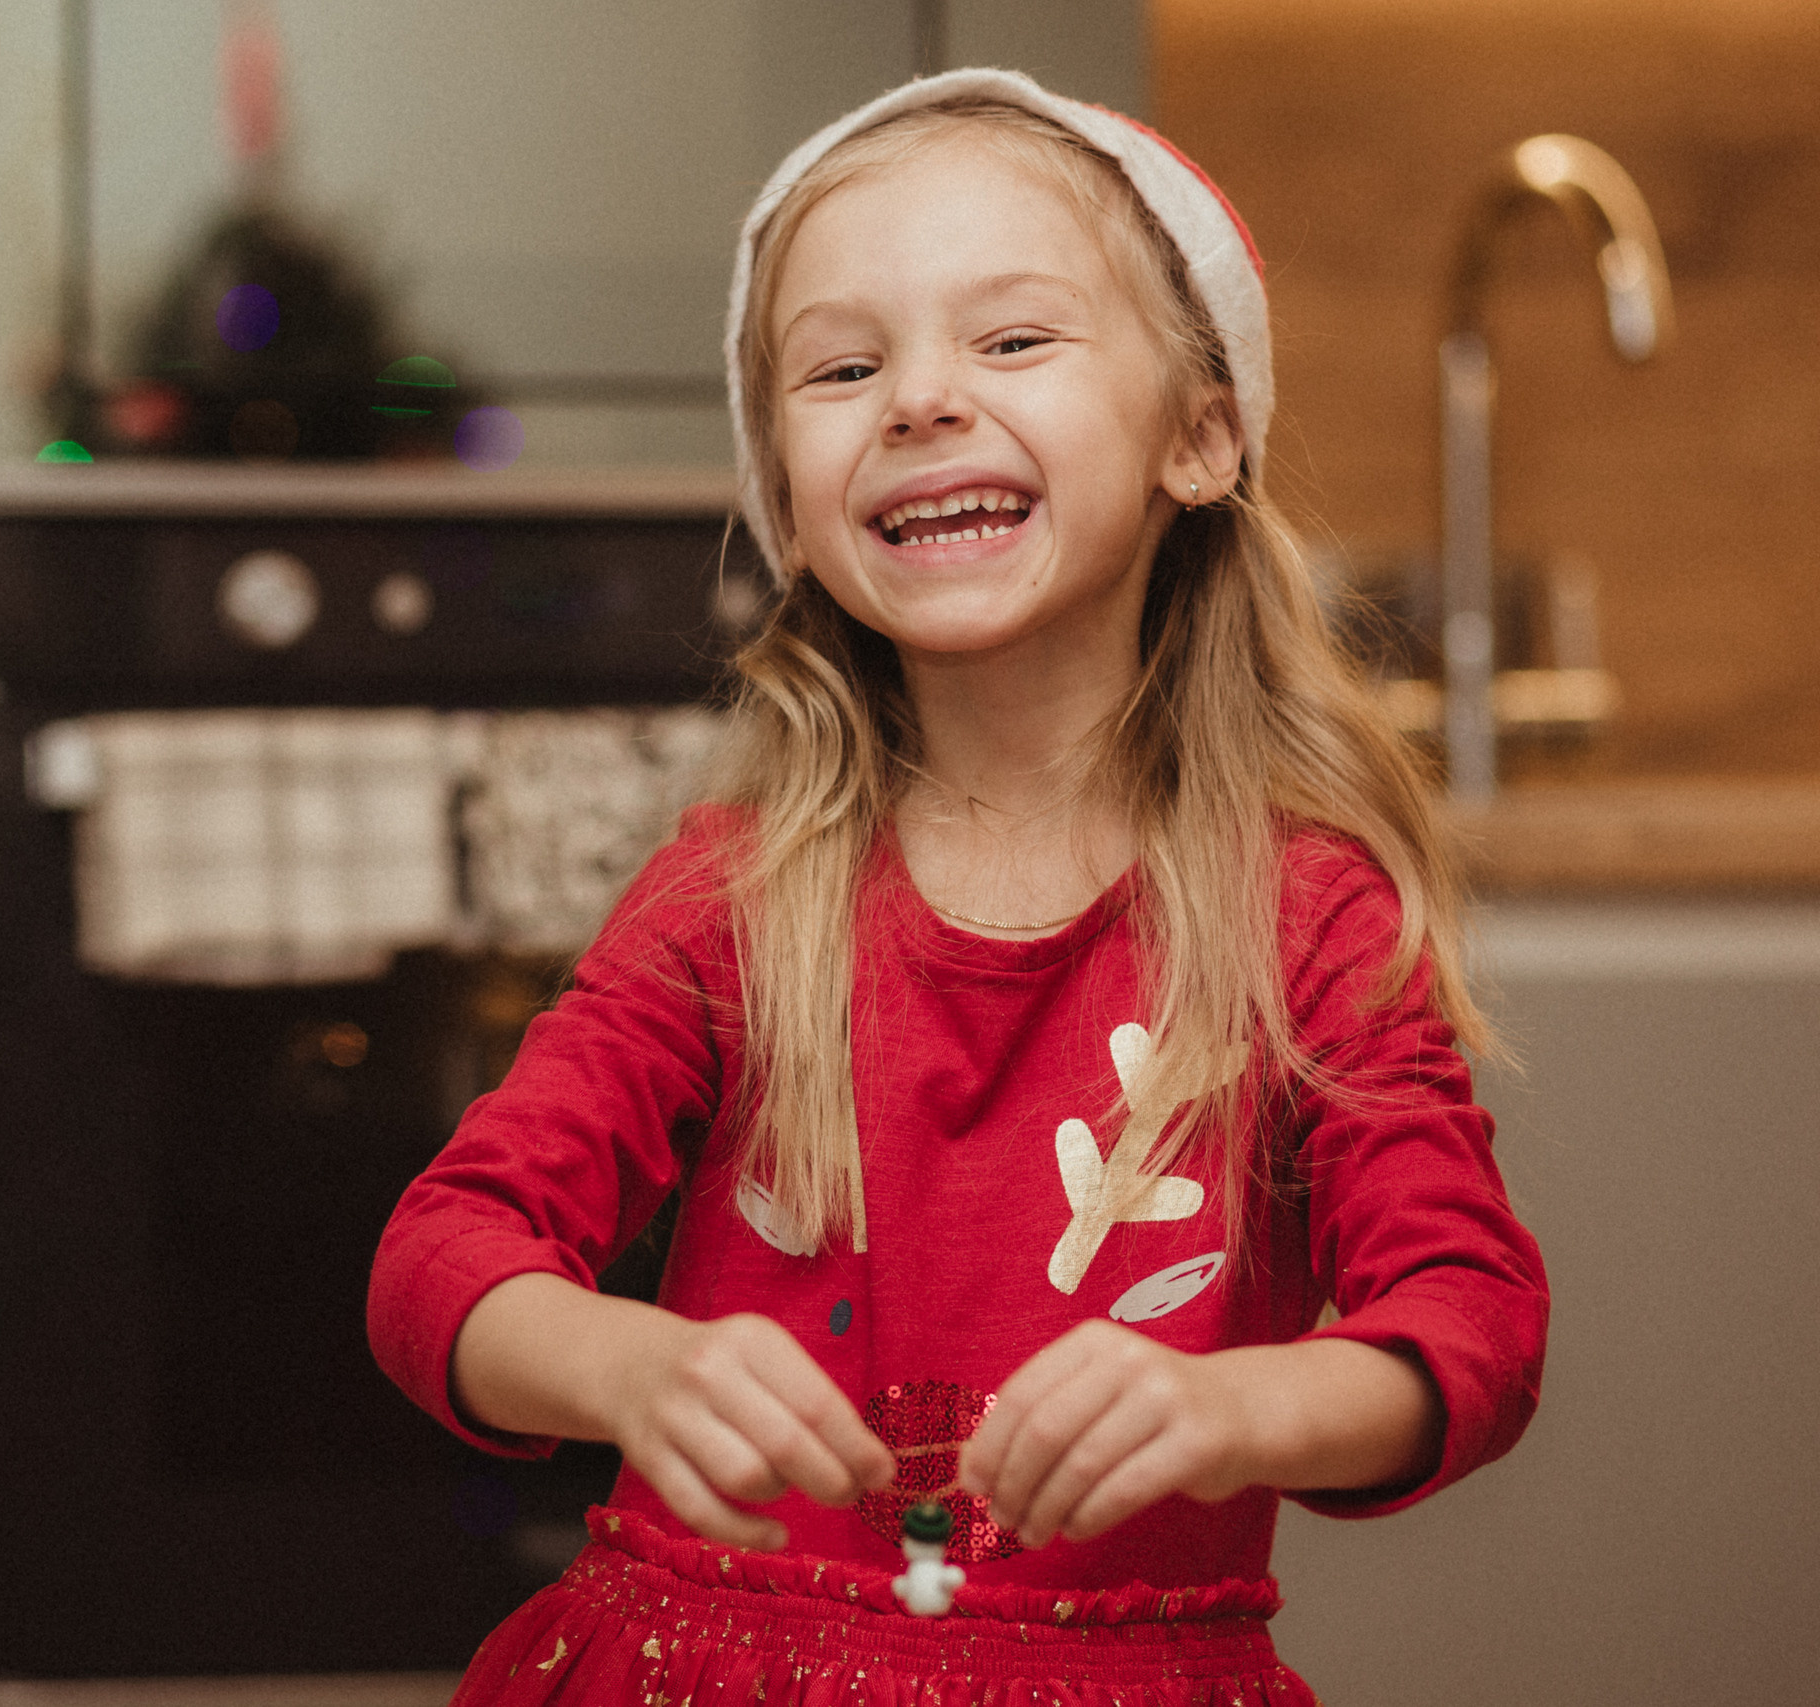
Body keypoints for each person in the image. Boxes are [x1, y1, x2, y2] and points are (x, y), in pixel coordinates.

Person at [369, 67, 1547, 1704]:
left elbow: (1471, 1322)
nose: (919, 399)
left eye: (1011, 341)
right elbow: (447, 1253)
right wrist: (632, 1365)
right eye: (845, 366)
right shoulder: (735, 896)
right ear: (787, 499)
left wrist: (1236, 1410)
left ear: (1200, 434)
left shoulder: (1311, 916)